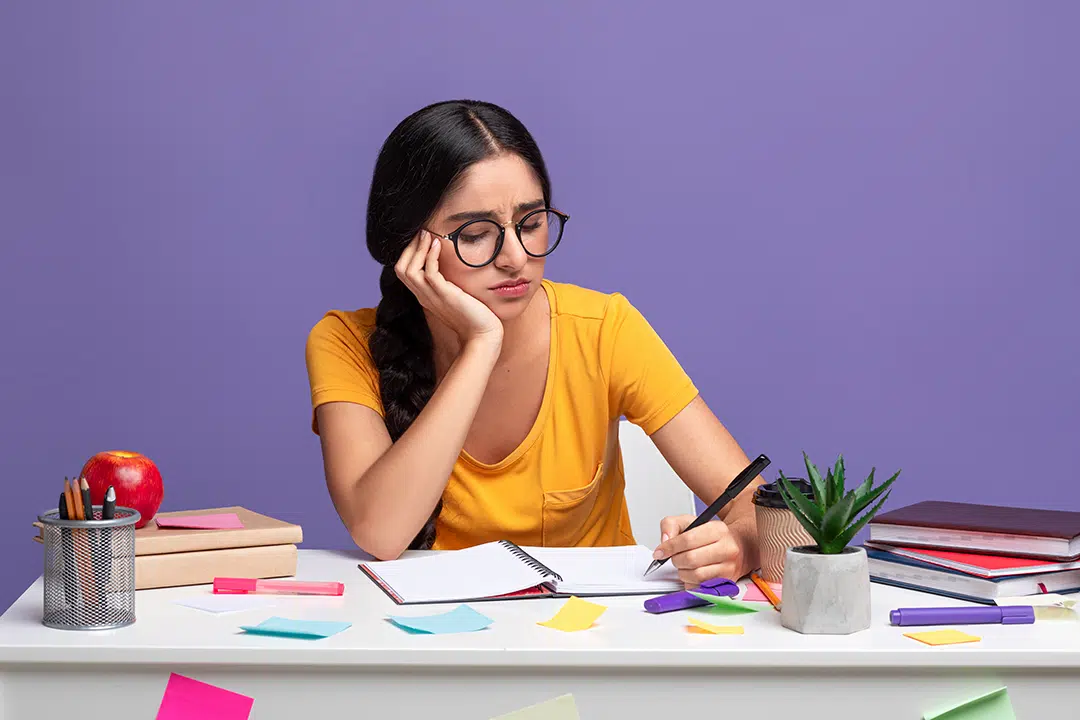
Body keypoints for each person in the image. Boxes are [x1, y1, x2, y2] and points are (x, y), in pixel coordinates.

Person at [305, 99, 765, 586]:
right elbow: (380, 532)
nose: (514, 258)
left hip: (586, 640)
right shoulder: (344, 343)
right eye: (476, 234)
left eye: (530, 224)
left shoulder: (605, 328)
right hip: (435, 647)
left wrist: (740, 546)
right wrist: (480, 344)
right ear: (408, 244)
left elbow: (758, 508)